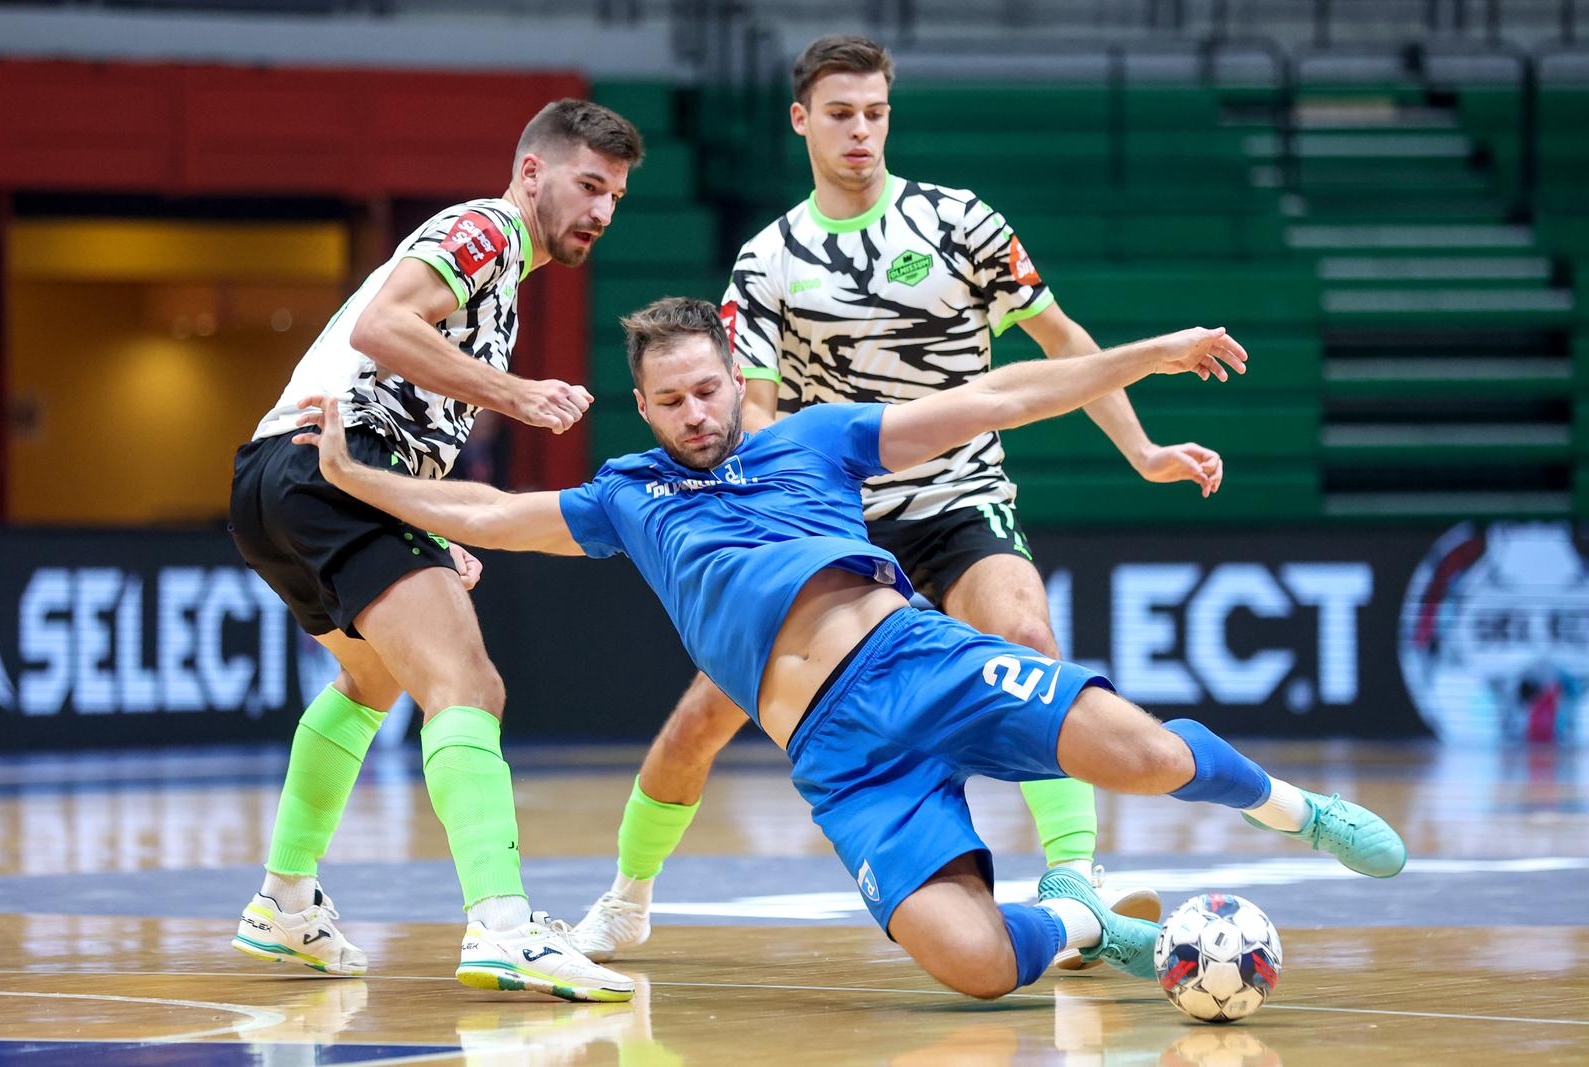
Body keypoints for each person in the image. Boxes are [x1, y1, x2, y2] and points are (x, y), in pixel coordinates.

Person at [290, 297, 1406, 1001]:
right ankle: (1088, 922)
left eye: (708, 388)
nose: (694, 410)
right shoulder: (627, 496)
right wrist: (350, 476)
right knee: (969, 965)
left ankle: (1289, 810)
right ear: (641, 404)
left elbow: (995, 396)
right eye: (669, 398)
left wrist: (1144, 356)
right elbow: (485, 512)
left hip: (917, 660)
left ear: (734, 377)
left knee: (1147, 755)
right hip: (838, 758)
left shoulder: (812, 441)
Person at [569, 35, 1225, 967]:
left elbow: (1060, 342)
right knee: (696, 724)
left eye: (875, 112)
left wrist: (1144, 448)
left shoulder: (961, 223)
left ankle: (1076, 878)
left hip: (958, 496)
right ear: (802, 120)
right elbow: (749, 409)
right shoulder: (768, 263)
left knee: (1028, 641)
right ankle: (627, 899)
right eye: (841, 113)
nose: (861, 131)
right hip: (833, 523)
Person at [226, 99, 642, 1003]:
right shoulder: (486, 228)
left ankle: (284, 901)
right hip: (334, 466)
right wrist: (519, 394)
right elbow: (382, 329)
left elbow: (396, 387)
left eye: (614, 194)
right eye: (588, 185)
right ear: (533, 172)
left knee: (374, 682)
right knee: (470, 686)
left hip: (280, 479)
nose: (602, 210)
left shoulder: (499, 274)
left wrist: (432, 527)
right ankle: (502, 925)